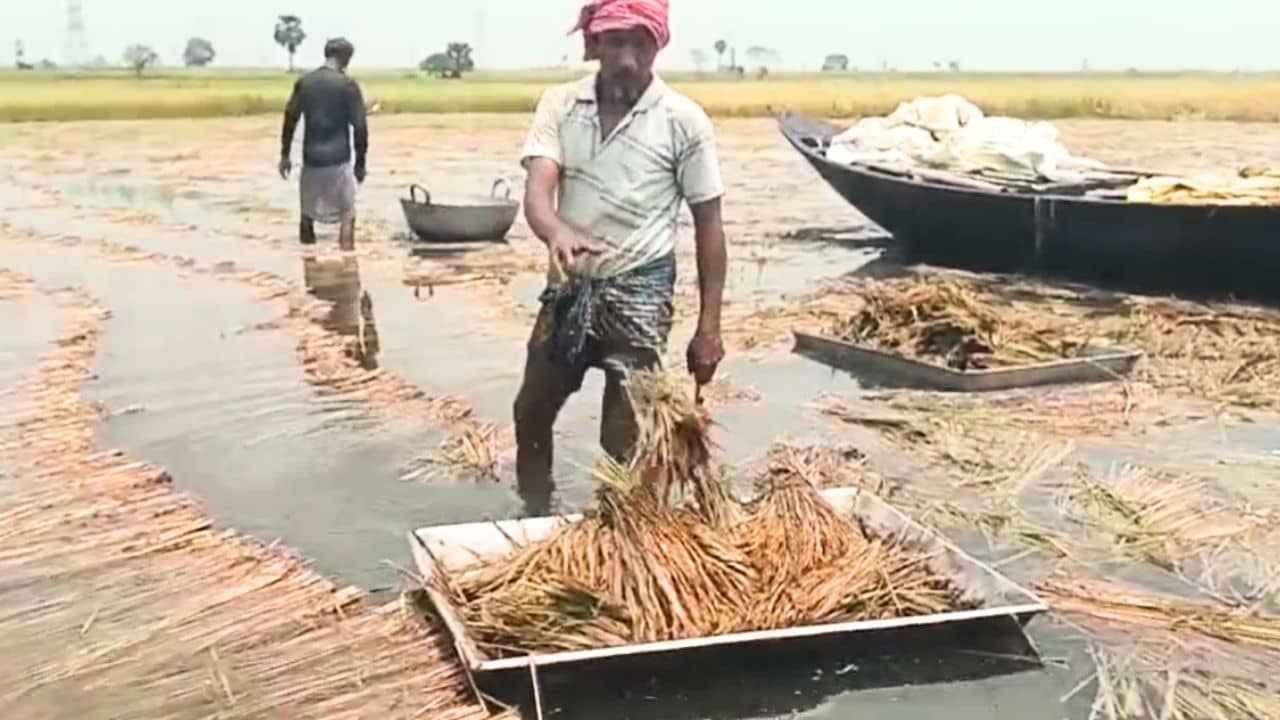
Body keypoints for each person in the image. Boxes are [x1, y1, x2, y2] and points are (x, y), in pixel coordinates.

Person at [513, 0, 728, 512]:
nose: (629, 59)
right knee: (531, 411)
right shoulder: (561, 105)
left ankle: (620, 535)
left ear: (659, 46)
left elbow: (709, 228)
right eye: (617, 43)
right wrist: (555, 232)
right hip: (569, 289)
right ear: (593, 45)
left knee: (625, 437)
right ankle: (535, 514)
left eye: (641, 44)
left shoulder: (684, 121)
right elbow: (539, 191)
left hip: (640, 296)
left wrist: (709, 328)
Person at [279, 37, 368, 251]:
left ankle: (308, 264)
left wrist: (285, 155)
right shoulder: (347, 85)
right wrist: (360, 164)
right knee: (347, 215)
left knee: (307, 215)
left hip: (311, 159)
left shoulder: (305, 82)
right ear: (346, 58)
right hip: (338, 159)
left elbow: (290, 118)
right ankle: (347, 264)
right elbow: (359, 127)